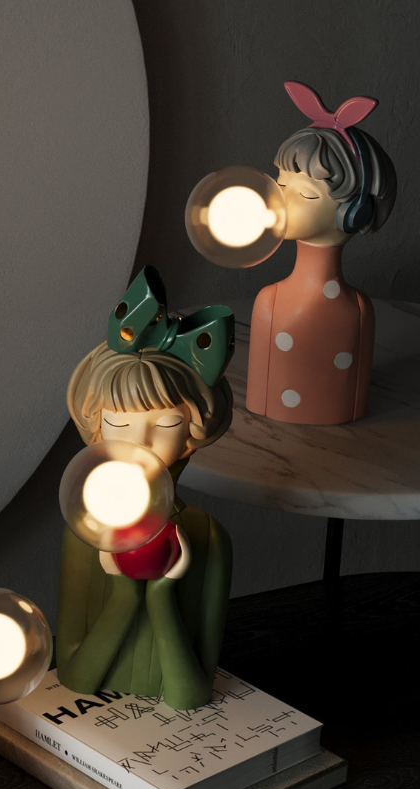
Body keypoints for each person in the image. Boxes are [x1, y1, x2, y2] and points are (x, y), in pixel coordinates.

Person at [56, 268, 233, 711]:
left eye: (167, 423)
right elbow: (75, 679)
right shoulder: (84, 533)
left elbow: (192, 695)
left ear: (193, 432)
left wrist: (160, 594)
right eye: (119, 424)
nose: (141, 442)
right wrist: (124, 592)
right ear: (96, 428)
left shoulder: (210, 539)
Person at [247, 80, 397, 425]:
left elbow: (355, 396)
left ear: (354, 213)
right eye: (281, 183)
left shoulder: (358, 309)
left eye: (306, 194)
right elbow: (258, 397)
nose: (280, 198)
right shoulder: (270, 302)